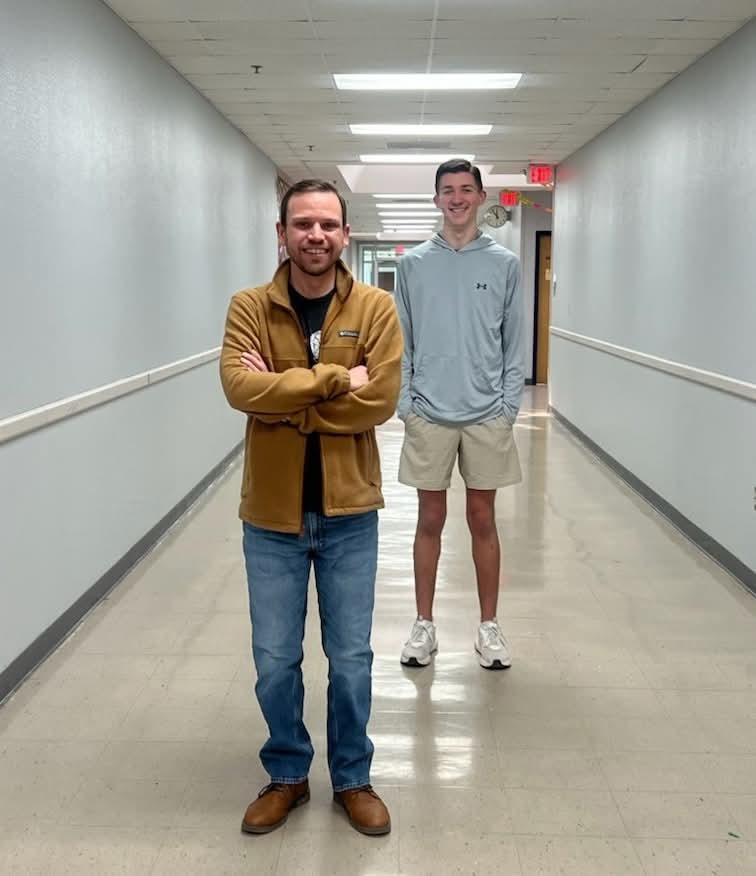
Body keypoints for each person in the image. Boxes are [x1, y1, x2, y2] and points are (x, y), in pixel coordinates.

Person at [220, 179, 402, 836]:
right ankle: (288, 774)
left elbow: (379, 400)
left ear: (345, 235)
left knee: (351, 657)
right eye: (303, 223)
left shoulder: (376, 307)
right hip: (271, 517)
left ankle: (353, 776)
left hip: (351, 512)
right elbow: (240, 388)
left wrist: (284, 399)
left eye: (328, 224)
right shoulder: (250, 306)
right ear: (282, 232)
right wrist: (331, 381)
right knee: (275, 657)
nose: (316, 235)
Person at [395, 158, 525, 671]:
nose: (456, 198)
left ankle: (488, 627)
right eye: (447, 190)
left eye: (465, 189)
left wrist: (508, 405)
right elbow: (402, 339)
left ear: (480, 197)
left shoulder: (504, 264)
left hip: (487, 413)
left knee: (482, 519)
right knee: (430, 518)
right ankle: (424, 625)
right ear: (436, 200)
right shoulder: (413, 264)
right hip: (429, 411)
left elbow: (514, 343)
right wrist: (406, 403)